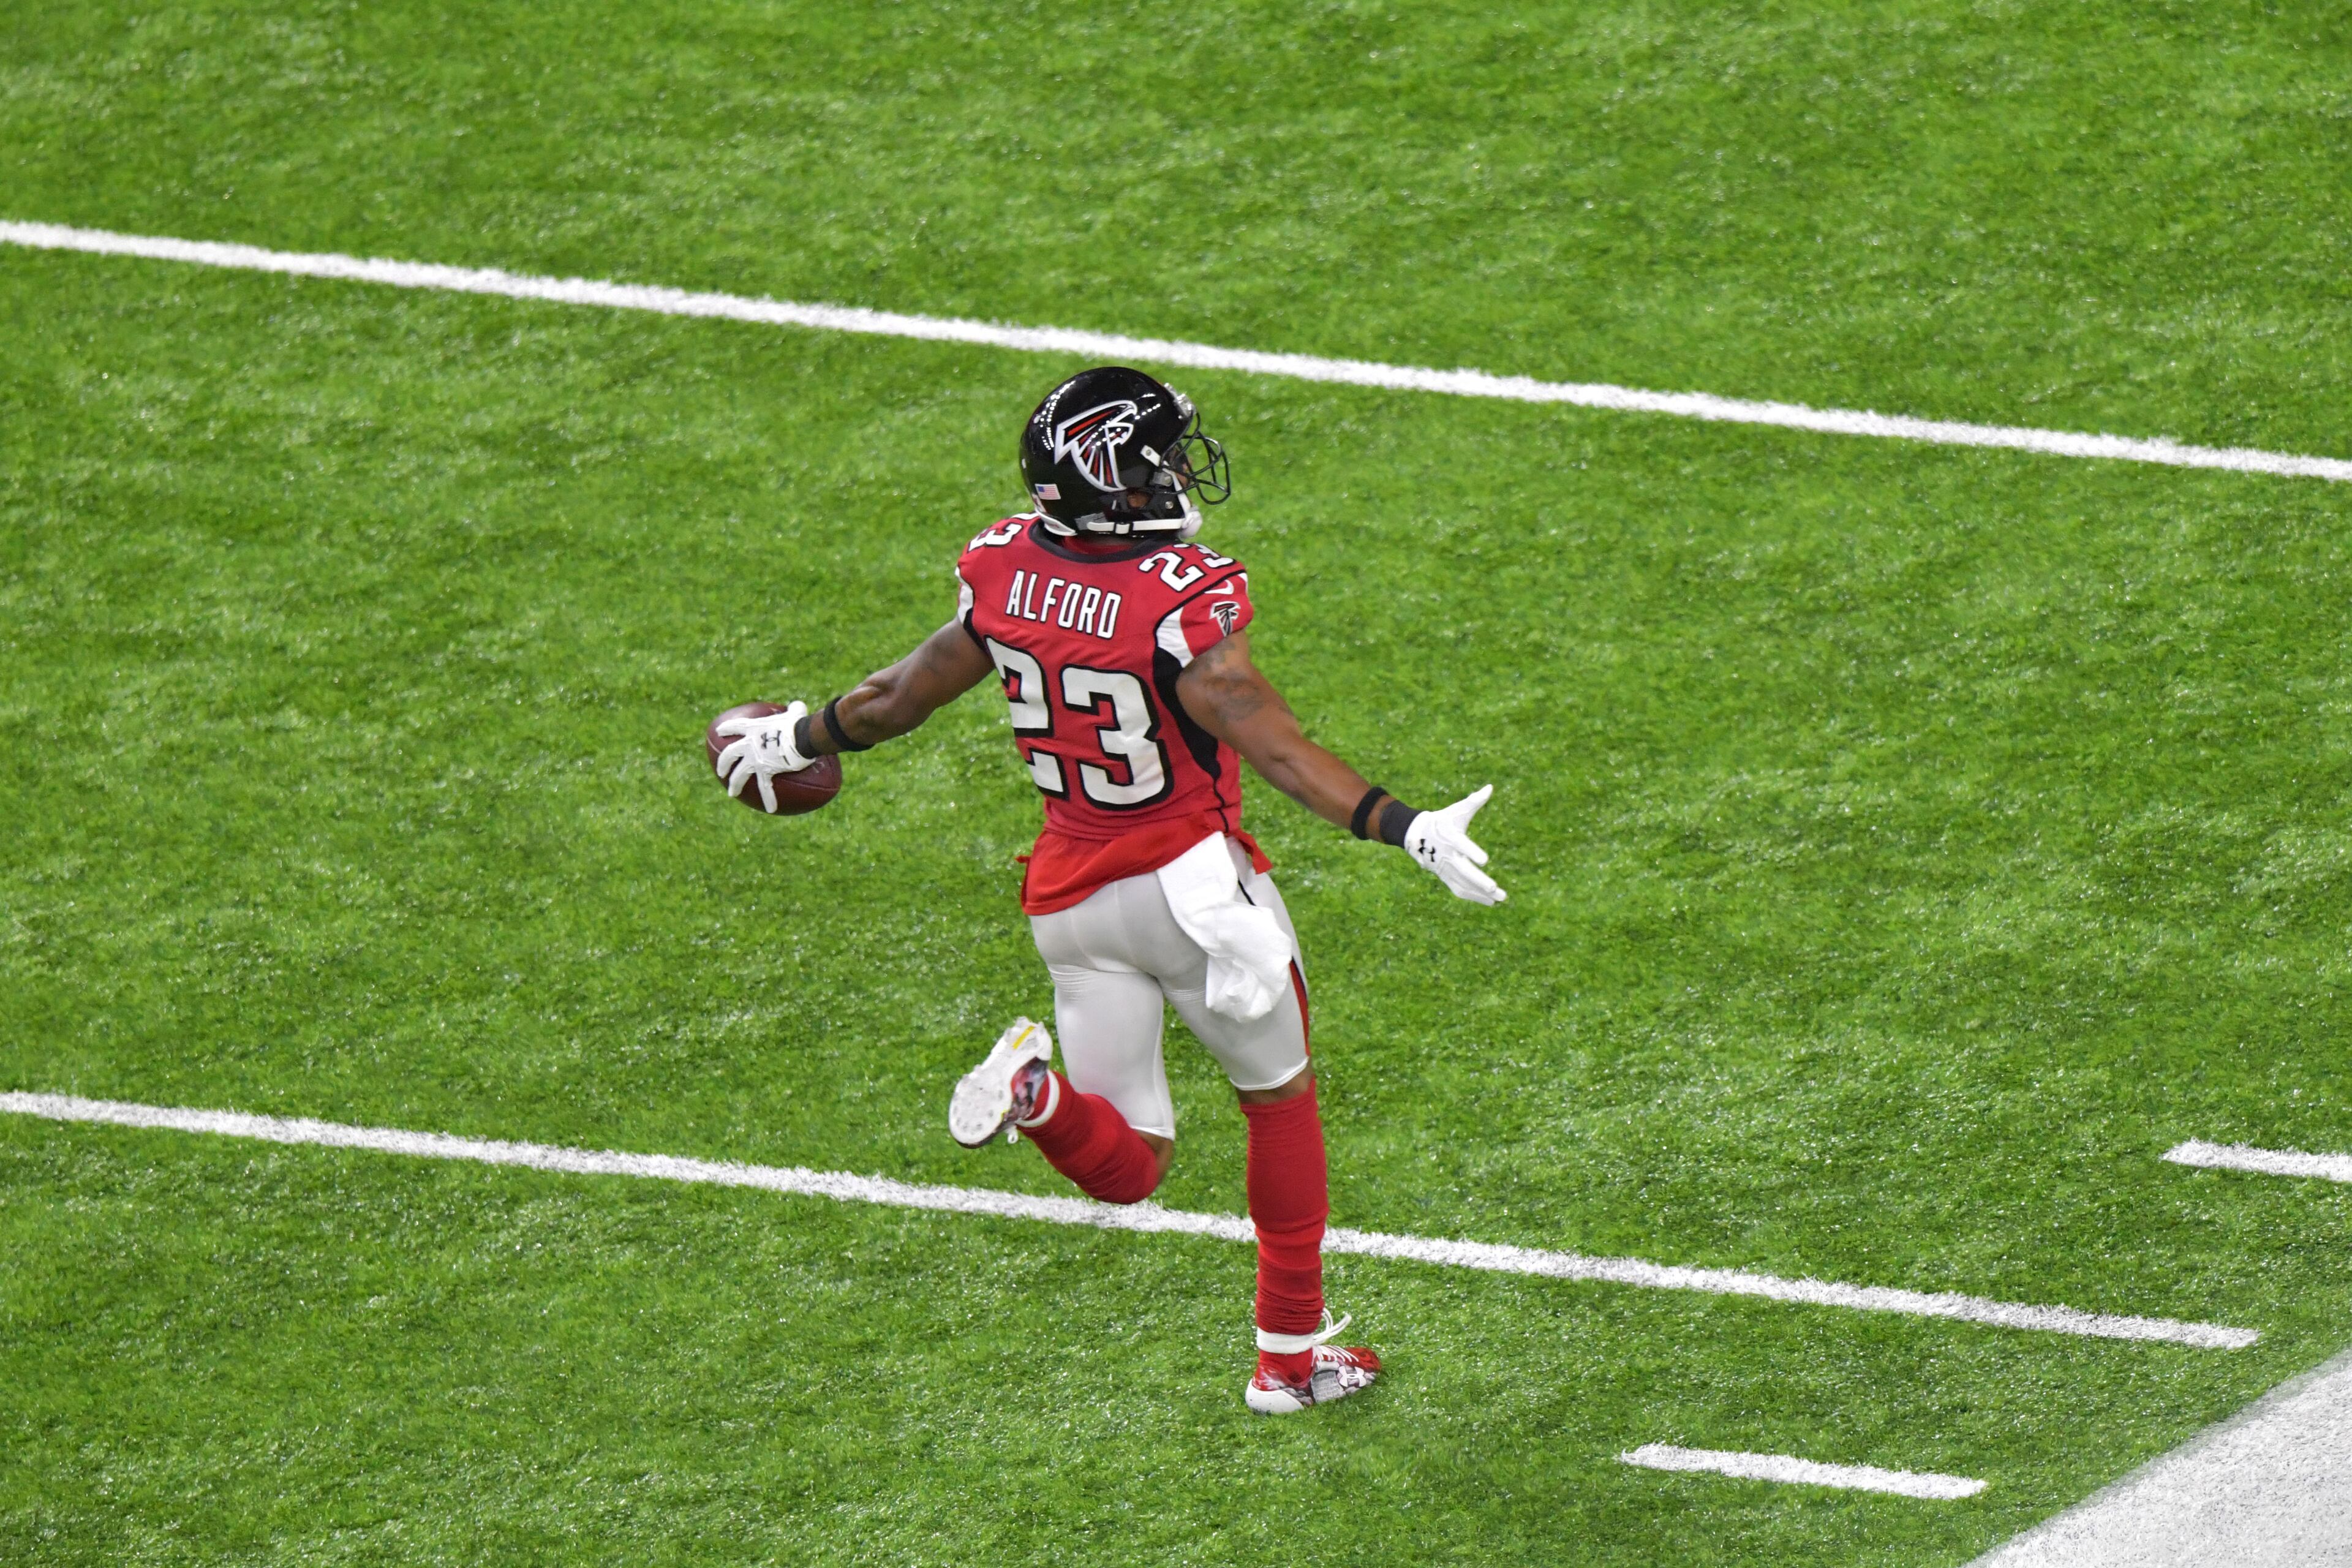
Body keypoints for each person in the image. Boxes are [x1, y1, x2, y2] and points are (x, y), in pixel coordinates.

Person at [715, 366, 1504, 1413]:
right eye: (1158, 461)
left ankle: (1037, 1098)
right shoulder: (1178, 595)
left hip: (1072, 904)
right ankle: (1288, 1361)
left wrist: (799, 739)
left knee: (1131, 1166)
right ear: (1110, 481)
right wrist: (1404, 826)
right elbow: (1271, 745)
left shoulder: (1004, 567)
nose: (1175, 474)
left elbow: (897, 698)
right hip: (1194, 895)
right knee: (1278, 1102)